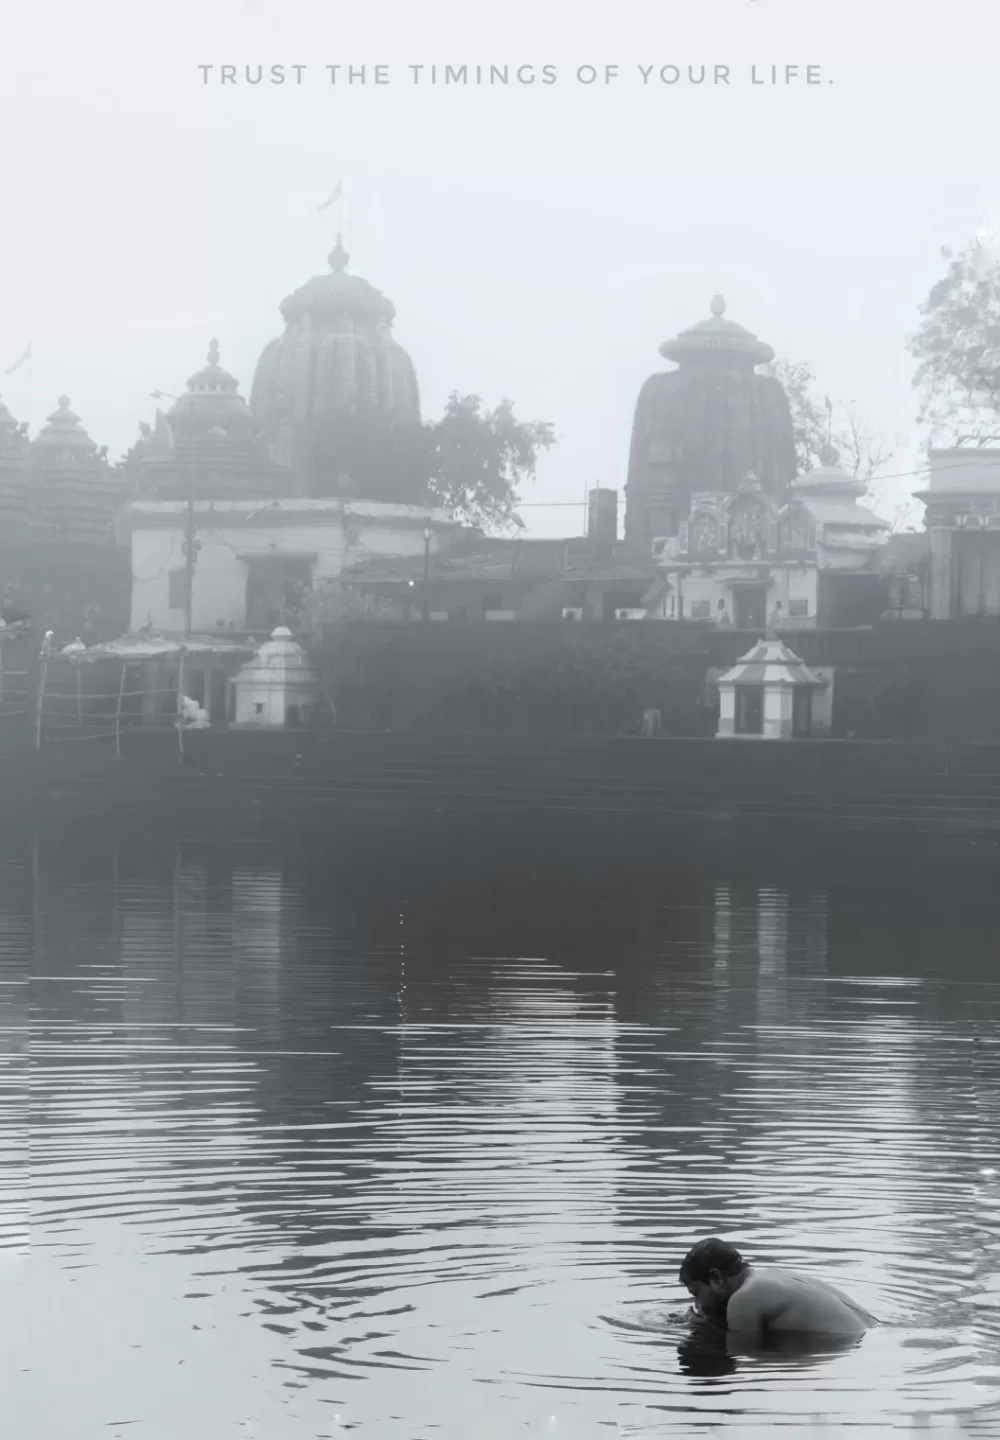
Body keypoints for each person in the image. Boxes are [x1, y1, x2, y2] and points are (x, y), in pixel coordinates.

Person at [679, 1238, 876, 1339]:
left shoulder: (743, 1299)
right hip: (870, 1332)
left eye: (696, 1293)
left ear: (716, 1278)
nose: (697, 1303)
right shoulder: (771, 1275)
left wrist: (706, 1330)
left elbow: (743, 1352)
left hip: (846, 1342)